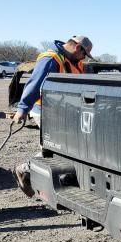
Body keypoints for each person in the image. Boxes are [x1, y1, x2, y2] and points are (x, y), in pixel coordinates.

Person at [13, 36, 93, 196]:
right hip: (45, 111)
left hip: (62, 111)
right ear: (78, 48)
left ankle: (28, 171)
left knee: (66, 148)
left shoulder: (74, 62)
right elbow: (35, 84)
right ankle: (25, 169)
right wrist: (22, 109)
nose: (84, 58)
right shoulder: (51, 60)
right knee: (56, 148)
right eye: (84, 54)